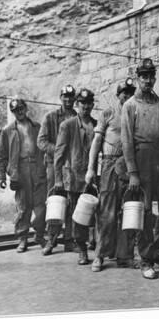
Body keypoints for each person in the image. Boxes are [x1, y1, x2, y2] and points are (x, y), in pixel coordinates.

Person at [121, 58, 159, 280]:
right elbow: (126, 141)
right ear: (137, 78)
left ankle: (158, 251)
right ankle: (146, 258)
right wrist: (133, 172)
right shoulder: (130, 106)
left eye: (151, 76)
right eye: (143, 76)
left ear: (155, 77)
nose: (147, 80)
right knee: (144, 211)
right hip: (141, 158)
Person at [85, 78, 137, 272]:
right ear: (118, 95)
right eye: (124, 93)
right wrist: (91, 169)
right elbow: (96, 143)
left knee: (128, 210)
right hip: (109, 163)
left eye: (131, 93)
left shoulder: (135, 113)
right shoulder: (108, 113)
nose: (127, 96)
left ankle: (125, 255)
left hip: (129, 165)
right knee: (107, 211)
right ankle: (100, 255)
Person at [0, 99, 47, 253]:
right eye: (16, 110)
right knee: (23, 207)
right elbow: (1, 157)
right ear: (13, 112)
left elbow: (44, 147)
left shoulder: (37, 127)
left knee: (40, 206)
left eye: (21, 108)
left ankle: (39, 235)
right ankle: (23, 239)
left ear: (26, 108)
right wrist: (2, 177)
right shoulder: (7, 131)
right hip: (20, 171)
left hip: (37, 169)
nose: (19, 111)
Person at [53, 89, 97, 265]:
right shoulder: (68, 125)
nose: (85, 107)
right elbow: (59, 154)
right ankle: (82, 250)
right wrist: (58, 179)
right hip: (75, 177)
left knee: (96, 213)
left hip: (94, 176)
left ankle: (97, 245)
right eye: (82, 103)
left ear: (93, 105)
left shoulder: (97, 124)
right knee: (79, 215)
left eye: (89, 103)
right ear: (77, 105)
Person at [37, 85, 77, 254]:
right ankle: (51, 239)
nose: (68, 100)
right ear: (60, 98)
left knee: (72, 201)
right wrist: (60, 150)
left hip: (73, 166)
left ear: (74, 99)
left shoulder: (78, 116)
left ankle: (69, 240)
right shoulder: (50, 117)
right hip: (55, 165)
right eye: (65, 97)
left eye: (70, 97)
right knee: (55, 201)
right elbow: (41, 141)